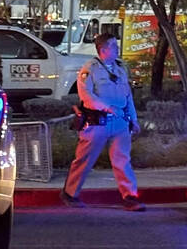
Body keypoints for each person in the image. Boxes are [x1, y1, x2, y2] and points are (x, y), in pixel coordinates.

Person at [60, 32, 145, 211]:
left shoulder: (120, 69)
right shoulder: (90, 69)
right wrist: (106, 107)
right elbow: (86, 95)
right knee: (84, 159)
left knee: (122, 160)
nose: (117, 49)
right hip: (98, 122)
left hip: (120, 122)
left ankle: (130, 196)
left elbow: (127, 96)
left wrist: (134, 120)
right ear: (103, 49)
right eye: (114, 46)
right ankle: (70, 193)